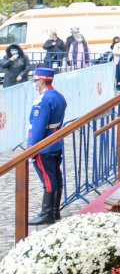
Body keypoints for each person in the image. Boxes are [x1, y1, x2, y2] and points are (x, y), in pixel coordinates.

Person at [28, 66, 67, 226]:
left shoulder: (43, 100)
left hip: (44, 146)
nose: (35, 83)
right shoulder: (59, 96)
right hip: (55, 142)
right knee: (56, 177)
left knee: (48, 180)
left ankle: (46, 214)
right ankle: (55, 211)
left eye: (36, 80)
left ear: (42, 81)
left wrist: (32, 148)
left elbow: (38, 127)